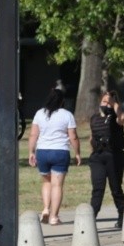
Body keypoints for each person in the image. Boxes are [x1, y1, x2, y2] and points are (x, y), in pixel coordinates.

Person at [27, 89, 81, 225]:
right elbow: (73, 136)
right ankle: (54, 217)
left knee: (46, 182)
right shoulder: (67, 115)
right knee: (57, 185)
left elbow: (33, 134)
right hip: (60, 152)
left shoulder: (40, 113)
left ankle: (45, 209)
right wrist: (77, 153)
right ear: (62, 101)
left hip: (43, 152)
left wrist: (31, 152)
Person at [88, 90, 124, 228]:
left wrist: (114, 104)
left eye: (109, 103)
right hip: (98, 157)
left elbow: (122, 117)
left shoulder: (116, 118)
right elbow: (91, 137)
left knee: (116, 188)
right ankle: (90, 218)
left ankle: (123, 215)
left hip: (114, 156)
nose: (106, 105)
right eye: (104, 102)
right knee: (97, 189)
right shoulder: (94, 118)